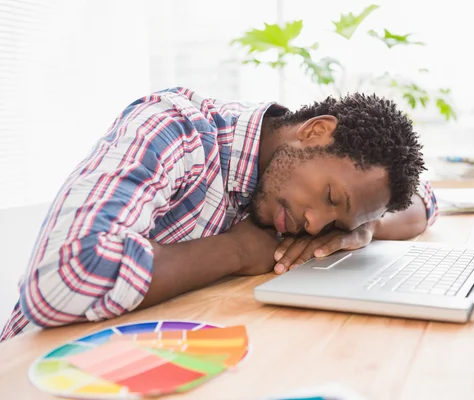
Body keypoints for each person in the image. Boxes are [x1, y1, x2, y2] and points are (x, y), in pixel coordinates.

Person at [0, 87, 438, 341]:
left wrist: (363, 229)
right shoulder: (176, 129)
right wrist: (237, 250)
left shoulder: (299, 187)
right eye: (330, 197)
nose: (315, 224)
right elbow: (58, 280)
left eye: (336, 221)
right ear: (316, 131)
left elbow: (425, 202)